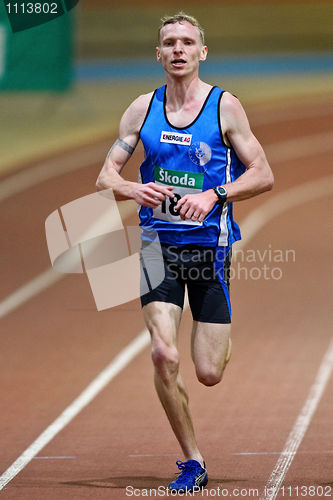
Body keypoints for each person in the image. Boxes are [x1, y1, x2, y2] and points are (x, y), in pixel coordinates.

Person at [96, 12, 274, 493]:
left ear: (202, 52)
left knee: (209, 372)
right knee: (161, 353)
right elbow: (105, 177)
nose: (178, 49)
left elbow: (263, 173)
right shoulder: (141, 109)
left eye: (187, 42)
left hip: (209, 250)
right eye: (169, 42)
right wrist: (134, 190)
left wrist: (215, 196)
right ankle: (193, 460)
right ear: (158, 54)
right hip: (158, 247)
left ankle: (219, 340)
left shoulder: (224, 108)